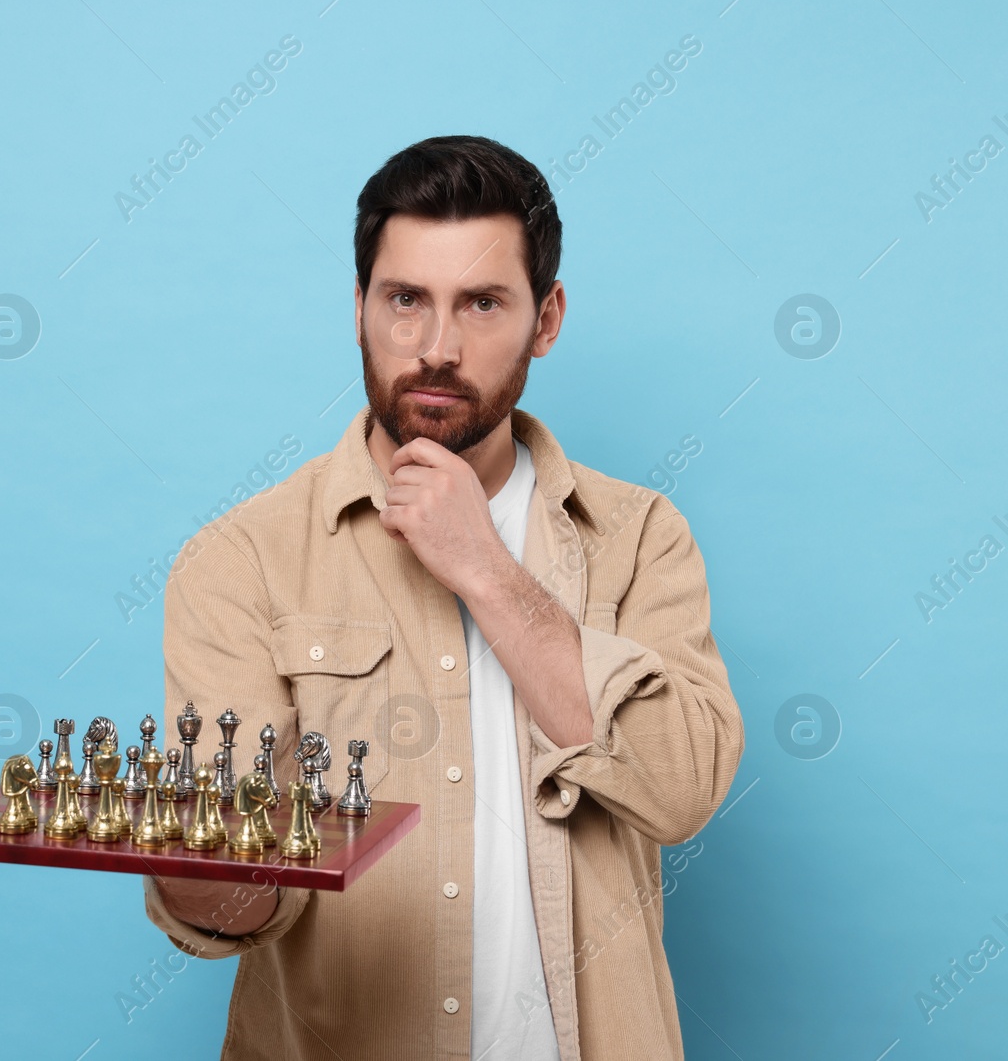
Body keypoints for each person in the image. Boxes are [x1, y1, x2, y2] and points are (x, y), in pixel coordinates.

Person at [142, 135, 744, 1060]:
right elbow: (243, 909)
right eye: (406, 300)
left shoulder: (638, 537)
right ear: (358, 309)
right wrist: (199, 873)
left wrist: (488, 570)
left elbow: (682, 790)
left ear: (546, 320)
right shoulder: (242, 561)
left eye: (483, 303)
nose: (437, 347)